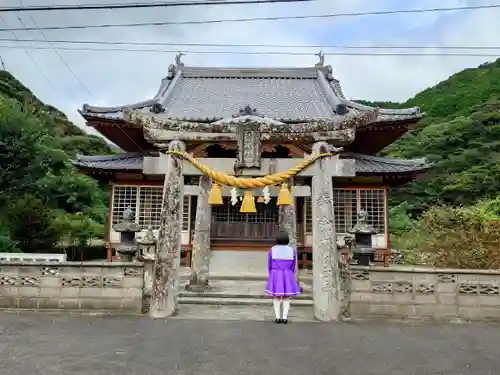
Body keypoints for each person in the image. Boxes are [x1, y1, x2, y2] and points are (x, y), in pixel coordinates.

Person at [265, 231, 300, 324]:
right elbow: (293, 265)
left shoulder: (272, 250)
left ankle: (277, 317)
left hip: (276, 273)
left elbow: (269, 264)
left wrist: (271, 274)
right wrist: (290, 273)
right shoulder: (291, 250)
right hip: (288, 273)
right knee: (286, 297)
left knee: (276, 297)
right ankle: (284, 317)